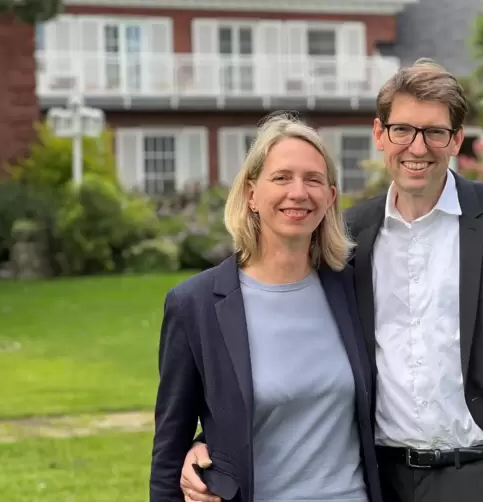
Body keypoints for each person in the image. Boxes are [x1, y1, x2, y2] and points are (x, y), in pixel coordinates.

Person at [179, 59, 483, 502]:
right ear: (379, 134)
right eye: (402, 130)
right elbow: (289, 349)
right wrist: (210, 442)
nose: (418, 147)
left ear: (455, 139)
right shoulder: (346, 239)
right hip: (380, 481)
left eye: (434, 132)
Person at [150, 113, 382, 502]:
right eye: (281, 177)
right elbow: (169, 454)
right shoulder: (196, 306)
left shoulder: (355, 290)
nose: (298, 192)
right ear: (251, 194)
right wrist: (204, 446)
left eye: (313, 179)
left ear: (330, 197)